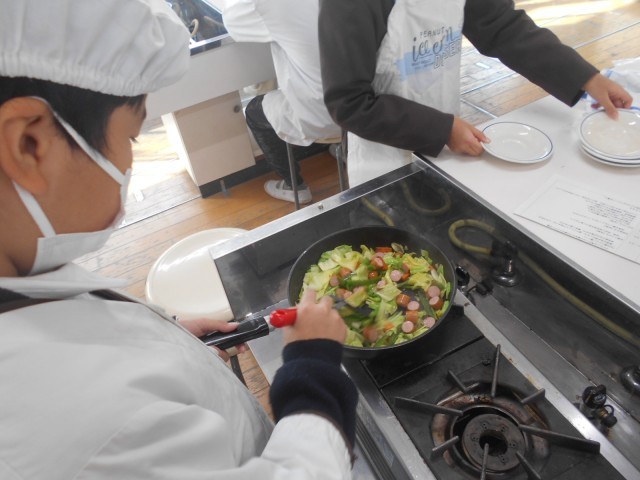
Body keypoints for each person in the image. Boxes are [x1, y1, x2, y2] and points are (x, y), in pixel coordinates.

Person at [0, 1, 357, 479]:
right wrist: (313, 364)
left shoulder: (23, 273)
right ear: (29, 144)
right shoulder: (85, 421)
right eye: (131, 138)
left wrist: (165, 343)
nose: (129, 163)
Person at [318, 0, 634, 187]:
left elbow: (502, 26)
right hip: (383, 153)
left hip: (444, 137)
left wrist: (584, 77)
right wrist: (442, 129)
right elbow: (349, 102)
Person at [222, 0, 342, 204]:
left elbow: (233, 22)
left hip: (322, 113)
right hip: (366, 104)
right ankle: (346, 147)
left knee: (253, 112)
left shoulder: (271, 5)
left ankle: (294, 185)